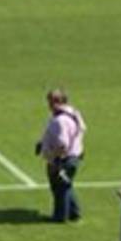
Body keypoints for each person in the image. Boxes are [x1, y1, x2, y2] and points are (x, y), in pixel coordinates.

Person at [37, 88, 86, 223]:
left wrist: (54, 160)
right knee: (66, 185)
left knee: (59, 188)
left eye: (50, 102)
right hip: (73, 156)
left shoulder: (60, 120)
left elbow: (62, 145)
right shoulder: (72, 113)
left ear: (57, 101)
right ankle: (74, 212)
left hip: (63, 159)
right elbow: (82, 129)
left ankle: (60, 217)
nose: (49, 105)